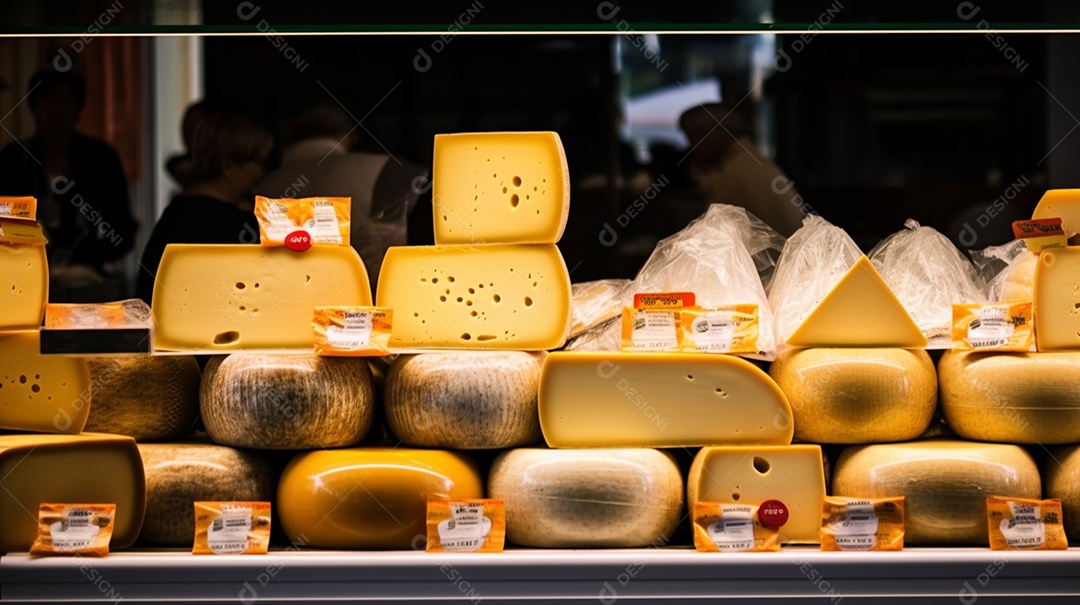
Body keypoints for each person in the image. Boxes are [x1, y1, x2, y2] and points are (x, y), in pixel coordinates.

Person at [257, 104, 428, 291]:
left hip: (284, 291)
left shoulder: (265, 182)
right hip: (368, 294)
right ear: (349, 137)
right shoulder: (391, 171)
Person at [0, 69, 138, 297]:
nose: (57, 110)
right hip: (21, 281)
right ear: (35, 107)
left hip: (87, 281)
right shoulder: (13, 159)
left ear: (78, 108)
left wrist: (89, 258)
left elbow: (122, 230)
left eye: (66, 100)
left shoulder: (101, 159)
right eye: (48, 101)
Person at [136, 110, 273, 303]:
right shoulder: (230, 222)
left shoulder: (176, 213)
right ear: (228, 165)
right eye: (261, 163)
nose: (263, 173)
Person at [678, 102, 805, 237]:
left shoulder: (735, 170)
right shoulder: (749, 162)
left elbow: (711, 234)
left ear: (707, 133)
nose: (692, 147)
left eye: (693, 137)